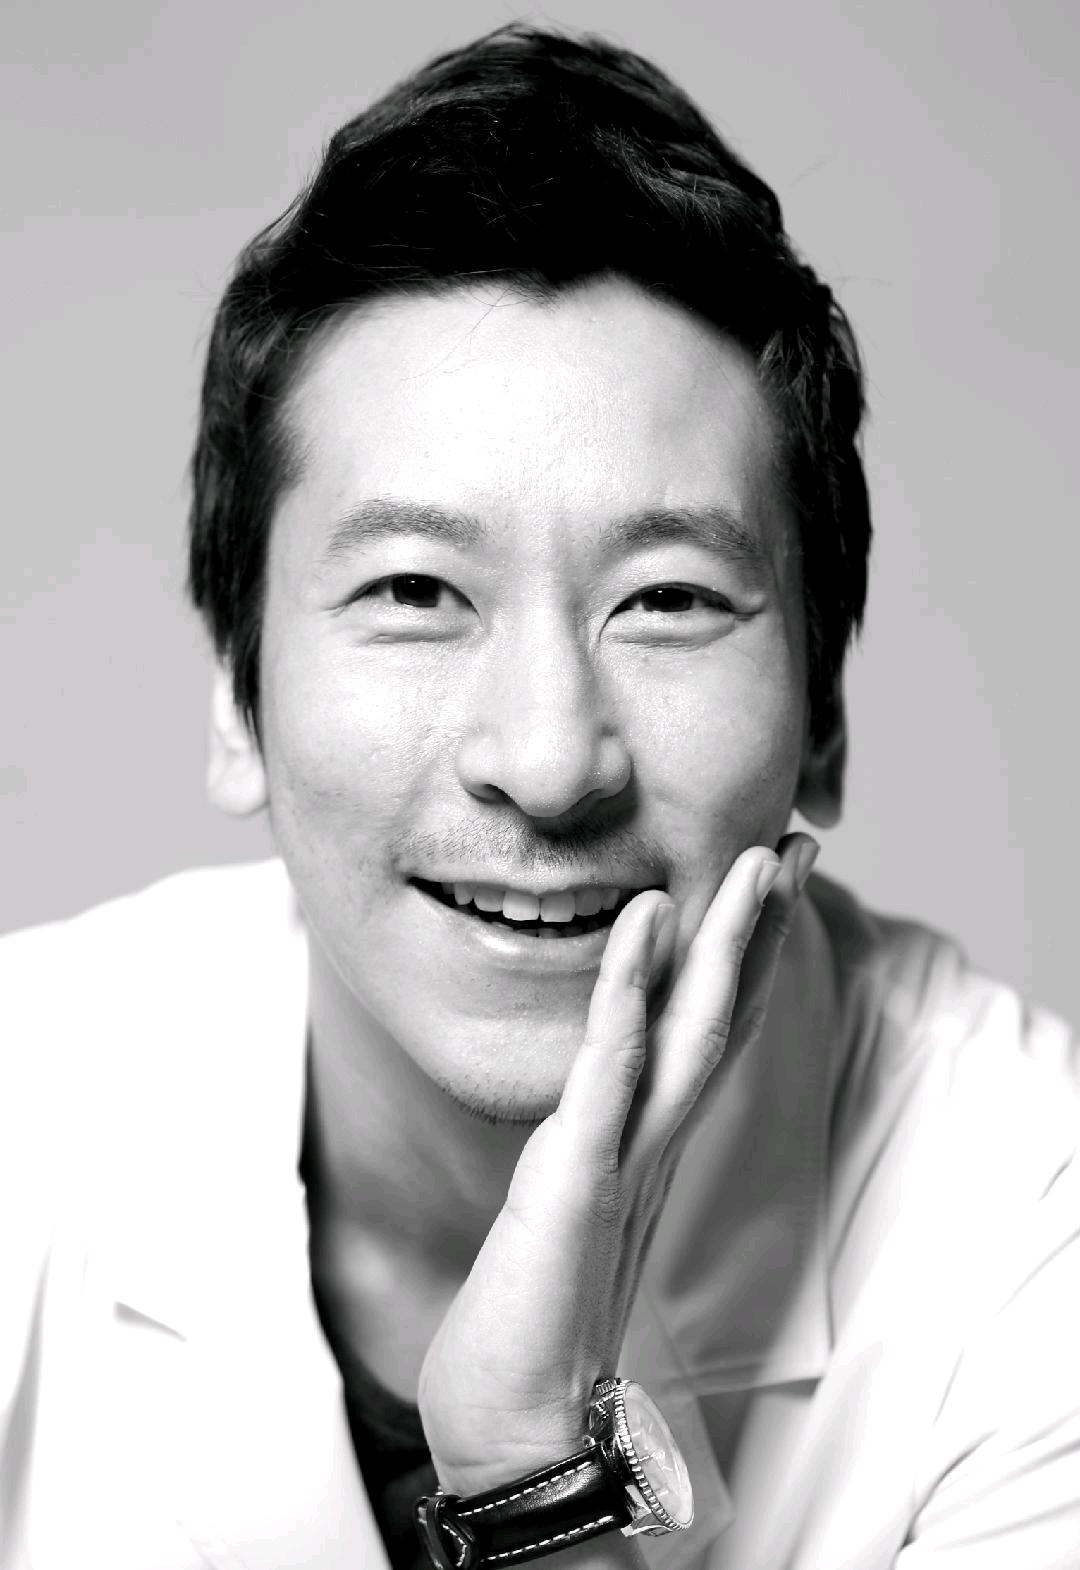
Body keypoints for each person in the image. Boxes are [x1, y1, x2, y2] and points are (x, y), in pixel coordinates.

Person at [1, 23, 1077, 1570]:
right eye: (415, 589)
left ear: (825, 719)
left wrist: (532, 1467)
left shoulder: (1037, 1223)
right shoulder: (25, 1109)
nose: (551, 756)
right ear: (239, 694)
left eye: (669, 600)